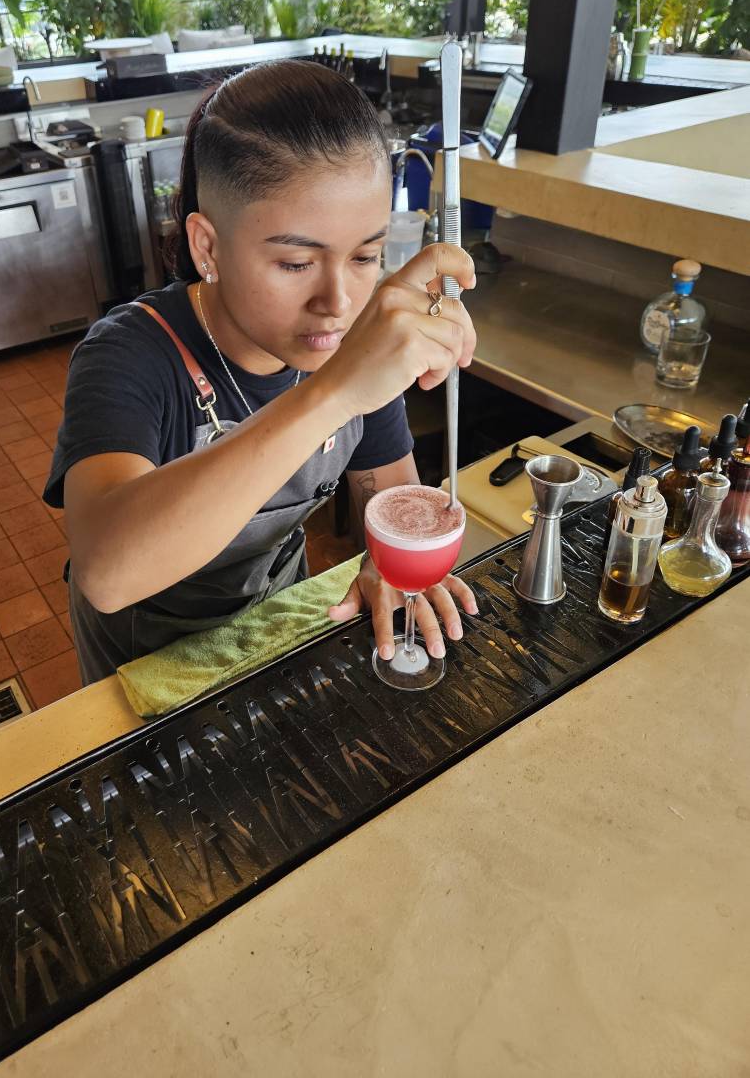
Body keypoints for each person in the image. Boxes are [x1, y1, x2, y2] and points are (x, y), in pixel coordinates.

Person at [44, 59, 477, 685]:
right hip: (142, 671)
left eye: (366, 255)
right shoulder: (130, 354)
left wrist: (386, 565)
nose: (338, 301)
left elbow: (385, 492)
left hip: (277, 626)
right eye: (297, 263)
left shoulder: (354, 334)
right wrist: (335, 391)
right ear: (208, 247)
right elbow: (107, 572)